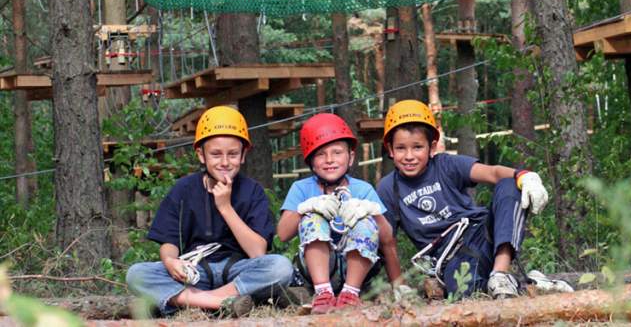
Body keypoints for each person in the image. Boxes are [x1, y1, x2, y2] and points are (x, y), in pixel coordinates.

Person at [126, 106, 294, 317]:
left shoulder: (253, 192)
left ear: (243, 155)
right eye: (216, 154)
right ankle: (218, 303)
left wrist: (225, 207)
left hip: (238, 272)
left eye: (232, 154)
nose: (225, 162)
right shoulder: (183, 190)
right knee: (136, 274)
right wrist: (170, 262)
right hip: (195, 273)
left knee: (281, 267)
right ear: (201, 154)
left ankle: (199, 301)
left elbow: (257, 252)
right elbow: (168, 243)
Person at [376, 100, 549, 299]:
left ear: (431, 147)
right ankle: (529, 284)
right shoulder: (388, 188)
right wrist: (400, 286)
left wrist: (523, 175)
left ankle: (500, 274)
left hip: (482, 235)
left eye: (417, 147)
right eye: (400, 148)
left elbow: (492, 173)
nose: (409, 156)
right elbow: (387, 242)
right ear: (390, 150)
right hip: (449, 258)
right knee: (464, 291)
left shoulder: (446, 165)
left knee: (510, 183)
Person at [277, 113, 401, 314]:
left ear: (350, 157)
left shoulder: (363, 189)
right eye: (320, 154)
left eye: (337, 152)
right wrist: (304, 208)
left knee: (365, 222)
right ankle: (323, 293)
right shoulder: (301, 189)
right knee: (313, 217)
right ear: (310, 161)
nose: (329, 160)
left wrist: (374, 213)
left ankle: (350, 294)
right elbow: (282, 234)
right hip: (317, 269)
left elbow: (387, 240)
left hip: (356, 269)